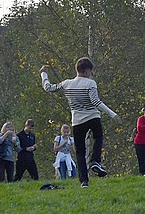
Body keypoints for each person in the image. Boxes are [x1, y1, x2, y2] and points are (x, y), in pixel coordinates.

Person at [40, 58, 121, 187]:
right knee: (98, 137)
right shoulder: (90, 83)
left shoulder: (67, 84)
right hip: (93, 117)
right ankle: (95, 161)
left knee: (80, 152)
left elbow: (48, 88)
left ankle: (84, 181)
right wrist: (112, 114)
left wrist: (44, 74)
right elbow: (95, 101)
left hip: (77, 121)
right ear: (87, 70)